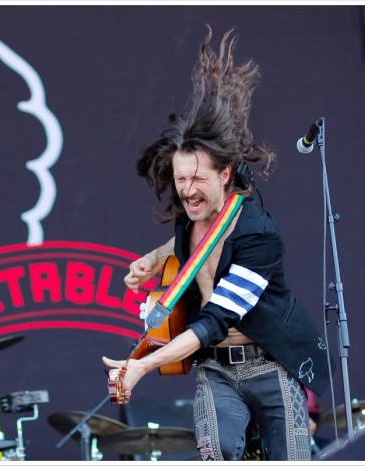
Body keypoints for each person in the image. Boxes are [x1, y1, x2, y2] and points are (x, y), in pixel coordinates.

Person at [102, 26, 332, 461]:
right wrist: (154, 258)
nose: (187, 190)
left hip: (271, 363)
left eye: (197, 178)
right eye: (180, 178)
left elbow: (216, 320)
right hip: (216, 370)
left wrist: (144, 365)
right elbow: (193, 246)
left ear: (225, 175)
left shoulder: (259, 233)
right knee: (217, 451)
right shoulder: (189, 220)